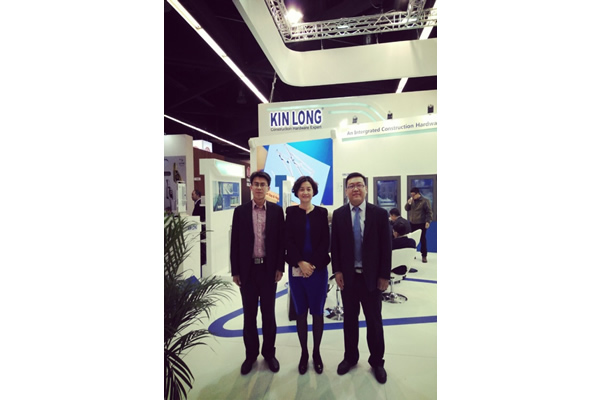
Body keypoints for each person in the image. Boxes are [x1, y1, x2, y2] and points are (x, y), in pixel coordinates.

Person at [331, 172, 392, 384]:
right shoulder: (338, 215)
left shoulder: (379, 214)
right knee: (349, 320)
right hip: (348, 278)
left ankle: (377, 362)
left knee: (374, 321)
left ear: (365, 188)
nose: (355, 189)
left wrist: (384, 275)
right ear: (346, 190)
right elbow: (335, 246)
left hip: (372, 279)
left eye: (359, 185)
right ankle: (350, 357)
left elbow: (386, 247)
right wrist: (337, 271)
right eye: (351, 186)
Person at [230, 171, 285, 375]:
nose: (259, 187)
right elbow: (235, 243)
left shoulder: (277, 211)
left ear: (268, 188)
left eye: (263, 184)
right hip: (248, 271)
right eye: (256, 184)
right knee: (249, 315)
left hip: (268, 271)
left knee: (269, 315)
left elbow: (280, 242)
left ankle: (269, 353)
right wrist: (236, 271)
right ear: (251, 186)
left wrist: (279, 267)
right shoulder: (240, 211)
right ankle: (251, 355)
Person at [285, 176, 330, 375]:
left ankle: (316, 353)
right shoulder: (291, 212)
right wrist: (300, 263)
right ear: (297, 192)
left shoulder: (321, 213)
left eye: (309, 188)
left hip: (317, 271)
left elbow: (325, 242)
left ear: (313, 192)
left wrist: (312, 265)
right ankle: (304, 353)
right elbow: (288, 241)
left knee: (318, 313)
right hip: (296, 271)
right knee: (301, 313)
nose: (305, 192)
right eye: (302, 189)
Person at [404, 187, 433, 263]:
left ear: (418, 194)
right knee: (412, 239)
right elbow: (406, 209)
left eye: (413, 195)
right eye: (411, 195)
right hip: (412, 223)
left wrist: (428, 221)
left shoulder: (425, 201)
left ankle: (424, 256)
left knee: (422, 239)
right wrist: (408, 203)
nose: (412, 196)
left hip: (421, 223)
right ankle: (412, 254)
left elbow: (429, 212)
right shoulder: (412, 201)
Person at [191, 189, 207, 266]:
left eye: (193, 194)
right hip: (200, 226)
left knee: (202, 245)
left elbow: (200, 216)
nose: (191, 196)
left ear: (197, 195)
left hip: (201, 227)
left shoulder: (200, 204)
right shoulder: (197, 203)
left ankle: (202, 261)